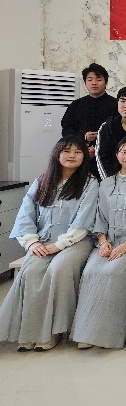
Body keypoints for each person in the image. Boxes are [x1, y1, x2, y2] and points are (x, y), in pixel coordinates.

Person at [0, 136, 98, 351]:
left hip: (76, 242)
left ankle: (54, 332)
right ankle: (30, 332)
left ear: (85, 157)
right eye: (67, 151)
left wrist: (60, 245)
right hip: (43, 240)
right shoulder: (42, 181)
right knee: (31, 271)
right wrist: (32, 243)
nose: (72, 155)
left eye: (78, 152)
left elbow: (84, 220)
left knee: (59, 269)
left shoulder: (90, 183)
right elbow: (25, 215)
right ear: (57, 154)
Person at [70, 136, 126, 349]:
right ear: (116, 154)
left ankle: (110, 334)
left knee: (114, 273)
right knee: (91, 271)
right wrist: (103, 241)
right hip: (106, 241)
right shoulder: (105, 183)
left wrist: (125, 245)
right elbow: (98, 216)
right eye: (123, 151)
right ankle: (87, 332)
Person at [61, 63, 118, 159]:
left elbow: (118, 131)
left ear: (106, 83)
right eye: (90, 80)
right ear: (85, 83)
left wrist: (97, 148)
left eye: (98, 80)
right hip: (79, 153)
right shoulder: (76, 105)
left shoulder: (116, 104)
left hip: (108, 155)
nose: (94, 83)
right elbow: (66, 129)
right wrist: (83, 136)